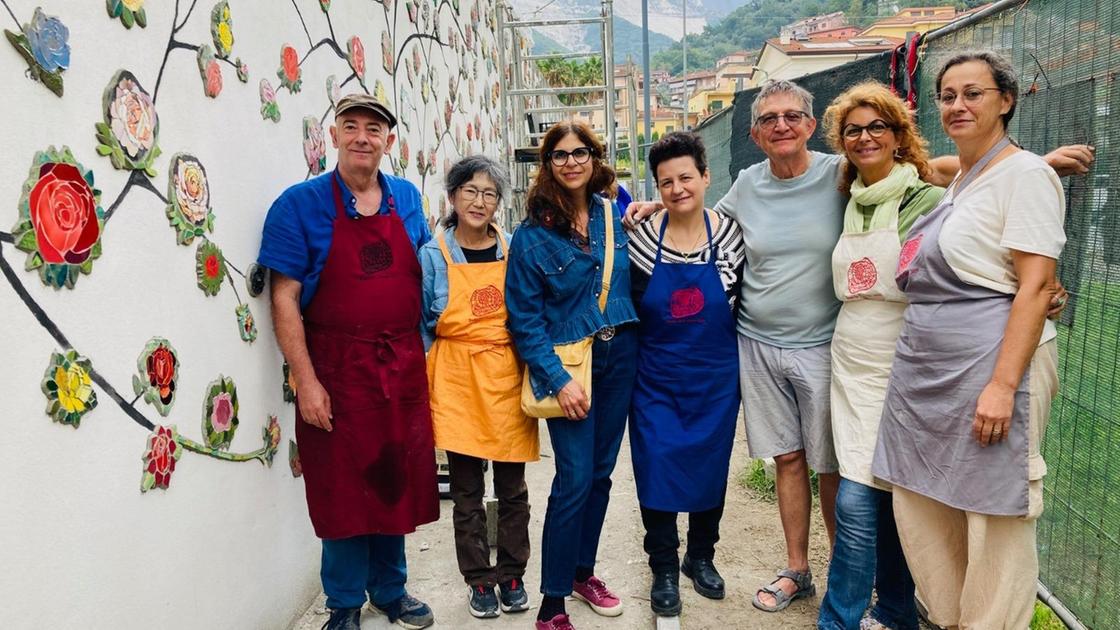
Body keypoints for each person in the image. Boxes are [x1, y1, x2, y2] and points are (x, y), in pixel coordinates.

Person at [623, 79, 1092, 614]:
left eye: (792, 116)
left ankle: (847, 577)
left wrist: (1037, 163)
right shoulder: (746, 186)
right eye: (769, 118)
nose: (781, 125)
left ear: (808, 123)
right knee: (789, 458)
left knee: (836, 468)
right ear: (754, 134)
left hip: (828, 343)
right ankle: (798, 569)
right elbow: (690, 205)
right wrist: (649, 204)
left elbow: (937, 171)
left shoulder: (840, 170)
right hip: (757, 342)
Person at [872, 51, 1068, 630]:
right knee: (927, 509)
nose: (958, 105)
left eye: (973, 93)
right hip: (929, 376)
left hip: (992, 370)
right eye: (948, 95)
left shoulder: (1027, 175)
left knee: (994, 516)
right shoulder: (962, 177)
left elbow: (1035, 287)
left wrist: (1004, 387)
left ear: (1006, 100)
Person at [259, 93, 437, 630]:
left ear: (388, 141)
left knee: (395, 481)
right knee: (341, 491)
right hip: (336, 370)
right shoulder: (298, 205)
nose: (363, 137)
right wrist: (305, 381)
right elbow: (284, 297)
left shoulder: (406, 198)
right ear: (332, 136)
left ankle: (392, 591)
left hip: (400, 366)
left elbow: (428, 275)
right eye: (351, 126)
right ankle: (342, 604)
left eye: (374, 129)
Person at [814, 81, 943, 630]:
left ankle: (845, 620)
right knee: (866, 495)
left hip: (905, 362)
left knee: (874, 503)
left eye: (876, 127)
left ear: (898, 136)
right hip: (852, 366)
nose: (864, 137)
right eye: (853, 130)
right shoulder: (848, 198)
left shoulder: (926, 198)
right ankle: (892, 611)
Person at [505, 119, 638, 630]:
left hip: (621, 356)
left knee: (602, 476)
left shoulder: (614, 214)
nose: (571, 162)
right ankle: (553, 599)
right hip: (570, 367)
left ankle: (584, 573)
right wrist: (557, 380)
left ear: (595, 156)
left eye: (580, 152)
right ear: (548, 165)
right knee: (575, 478)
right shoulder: (531, 236)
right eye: (559, 155)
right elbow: (524, 320)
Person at [627, 131, 745, 617]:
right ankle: (664, 566)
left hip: (715, 377)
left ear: (705, 177)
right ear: (657, 186)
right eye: (666, 181)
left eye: (686, 178)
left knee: (710, 468)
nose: (677, 189)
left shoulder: (732, 234)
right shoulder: (640, 237)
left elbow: (743, 303)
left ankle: (701, 555)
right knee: (655, 469)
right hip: (655, 376)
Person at [419, 155, 539, 619]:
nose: (479, 201)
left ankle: (511, 574)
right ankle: (479, 581)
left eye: (489, 193)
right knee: (466, 490)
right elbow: (425, 326)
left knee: (513, 490)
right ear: (452, 196)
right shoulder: (433, 254)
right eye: (470, 191)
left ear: (498, 204)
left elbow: (527, 314)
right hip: (456, 378)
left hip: (505, 376)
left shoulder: (514, 249)